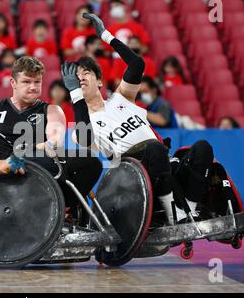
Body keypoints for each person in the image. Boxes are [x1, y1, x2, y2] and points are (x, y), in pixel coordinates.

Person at [62, 13, 214, 226]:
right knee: (154, 149)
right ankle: (174, 217)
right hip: (133, 176)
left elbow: (136, 64)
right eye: (76, 77)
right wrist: (75, 94)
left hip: (164, 162)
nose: (80, 78)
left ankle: (189, 208)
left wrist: (106, 36)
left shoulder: (121, 98)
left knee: (202, 148)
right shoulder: (82, 126)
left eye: (85, 73)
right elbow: (85, 138)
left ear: (99, 81)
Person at [0, 56, 103, 221]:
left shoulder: (51, 110)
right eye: (27, 82)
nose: (33, 87)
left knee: (91, 161)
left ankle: (61, 206)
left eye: (37, 82)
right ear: (13, 83)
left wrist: (47, 144)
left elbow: (55, 139)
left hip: (36, 166)